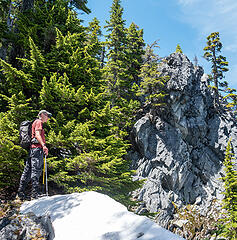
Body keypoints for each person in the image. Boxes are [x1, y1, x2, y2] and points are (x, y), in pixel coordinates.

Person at [17, 110, 52, 200]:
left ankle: (21, 193)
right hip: (37, 149)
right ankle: (35, 194)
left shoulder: (35, 122)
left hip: (32, 150)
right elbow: (37, 134)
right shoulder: (39, 122)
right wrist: (44, 146)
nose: (48, 118)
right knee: (36, 170)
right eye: (48, 116)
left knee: (28, 170)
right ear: (42, 115)